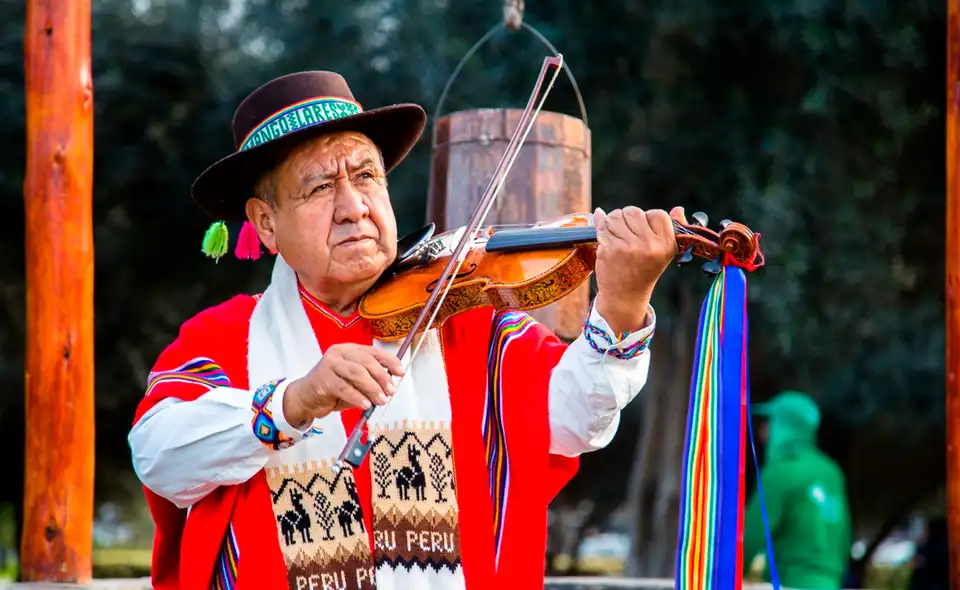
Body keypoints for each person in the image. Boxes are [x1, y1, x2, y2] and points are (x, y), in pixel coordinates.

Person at [128, 70, 687, 590]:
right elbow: (160, 457)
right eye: (320, 188)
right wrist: (293, 402)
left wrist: (621, 301)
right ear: (266, 224)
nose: (354, 207)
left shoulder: (466, 322)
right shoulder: (225, 336)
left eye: (367, 176)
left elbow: (573, 422)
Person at [743, 390, 852, 589]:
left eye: (769, 423)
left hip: (790, 581)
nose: (762, 432)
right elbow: (844, 534)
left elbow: (752, 535)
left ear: (784, 427)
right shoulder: (832, 471)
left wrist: (720, 576)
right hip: (831, 581)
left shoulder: (780, 472)